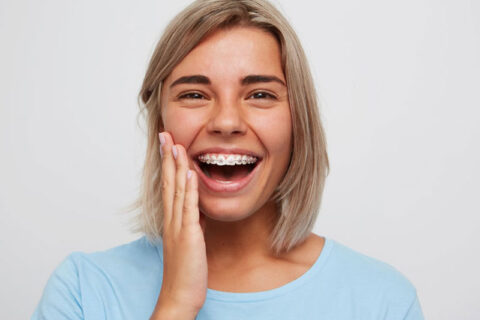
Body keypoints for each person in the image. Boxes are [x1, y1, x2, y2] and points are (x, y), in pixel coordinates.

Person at [32, 0, 424, 319]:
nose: (226, 122)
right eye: (194, 95)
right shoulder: (83, 290)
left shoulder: (382, 301)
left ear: (297, 123)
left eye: (260, 95)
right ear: (160, 123)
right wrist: (176, 303)